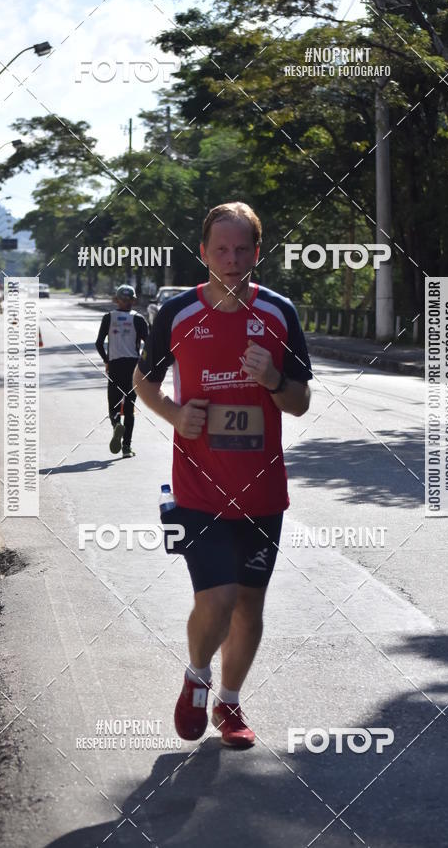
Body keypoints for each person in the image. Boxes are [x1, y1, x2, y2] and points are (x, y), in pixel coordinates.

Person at [134, 202, 312, 748]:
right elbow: (143, 379)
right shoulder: (180, 313)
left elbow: (299, 402)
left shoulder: (279, 314)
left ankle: (229, 704)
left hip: (262, 491)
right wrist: (173, 414)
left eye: (242, 250)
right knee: (218, 596)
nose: (232, 261)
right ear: (205, 253)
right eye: (221, 250)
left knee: (249, 606)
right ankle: (196, 677)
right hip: (197, 487)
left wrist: (274, 376)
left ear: (257, 253)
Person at [95, 284, 148, 458]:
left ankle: (116, 422)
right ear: (134, 300)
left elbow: (99, 343)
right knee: (130, 408)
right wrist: (144, 363)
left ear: (116, 300)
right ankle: (126, 448)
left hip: (115, 366)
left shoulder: (108, 317)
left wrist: (106, 360)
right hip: (133, 368)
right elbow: (149, 345)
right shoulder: (139, 319)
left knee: (114, 406)